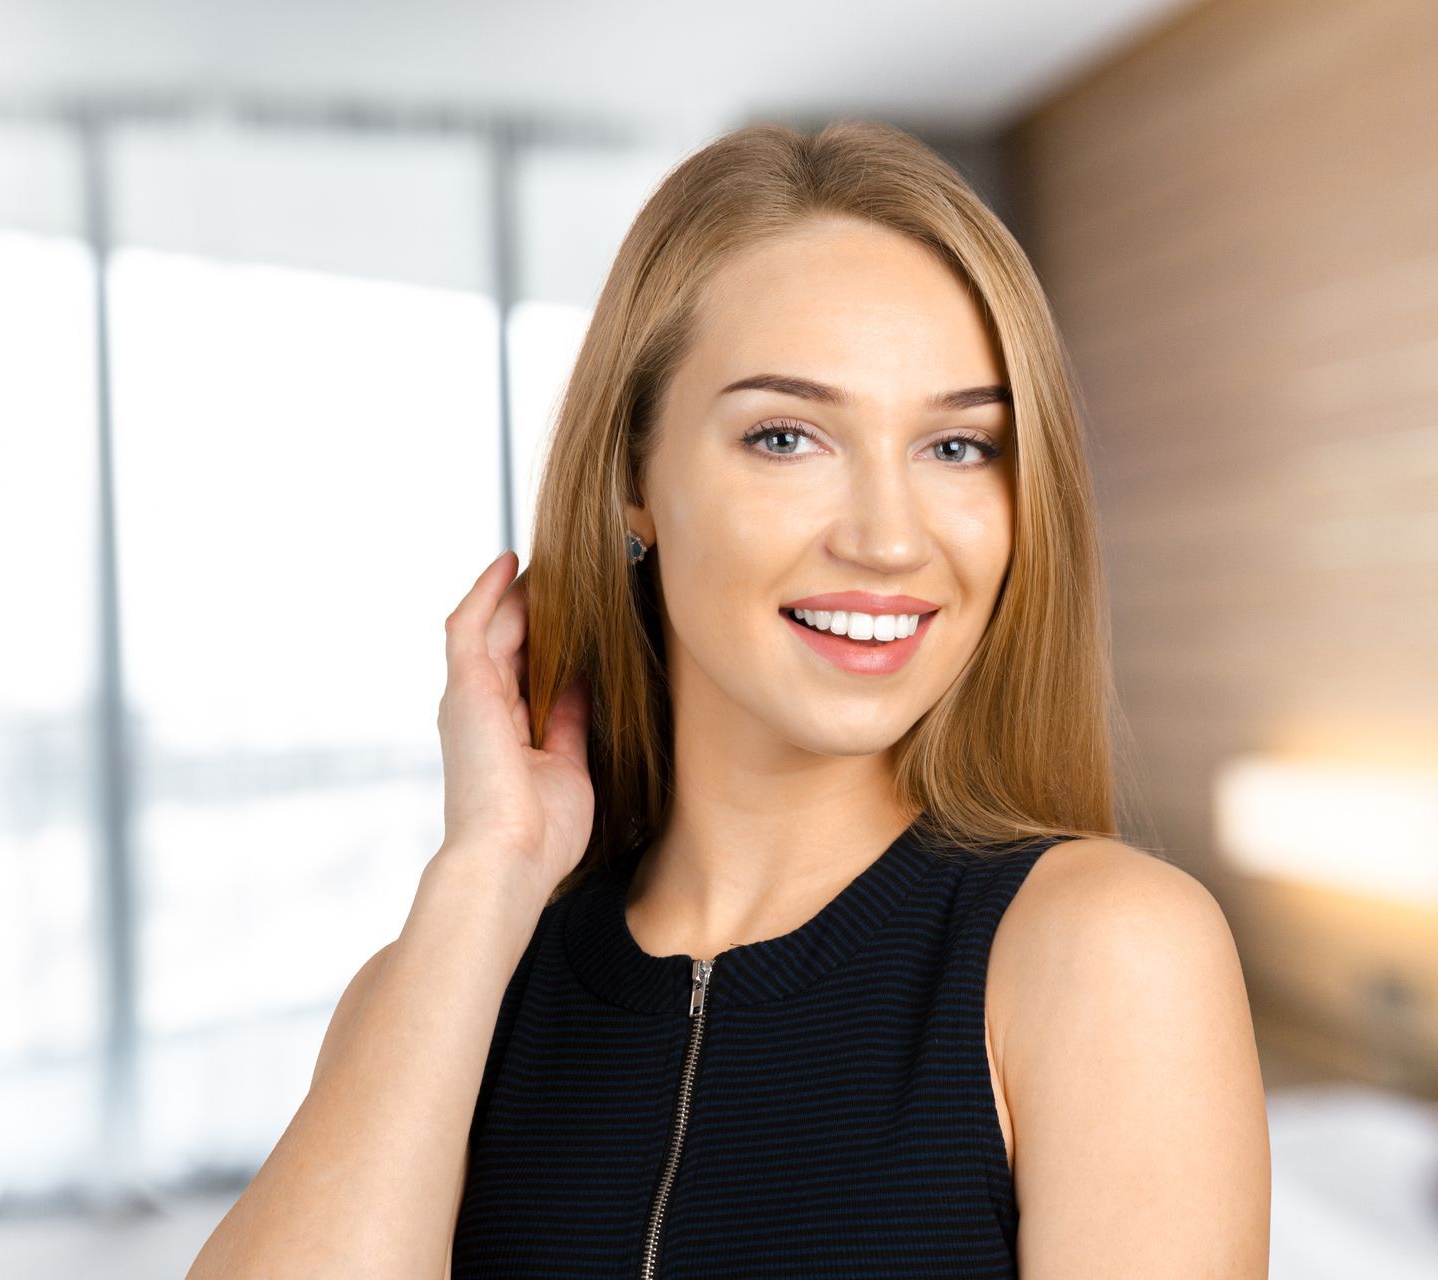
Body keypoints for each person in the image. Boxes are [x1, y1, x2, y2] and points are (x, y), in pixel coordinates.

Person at [186, 119, 1270, 1278]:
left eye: (958, 447)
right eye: (788, 435)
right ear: (632, 479)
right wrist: (490, 869)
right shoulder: (442, 984)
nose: (890, 538)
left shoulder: (1105, 952)